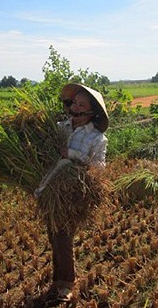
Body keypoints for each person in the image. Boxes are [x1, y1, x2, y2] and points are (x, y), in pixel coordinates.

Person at [36, 83, 108, 302]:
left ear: (92, 111)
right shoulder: (60, 127)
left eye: (81, 104)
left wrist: (74, 154)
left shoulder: (97, 138)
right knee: (53, 235)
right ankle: (58, 279)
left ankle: (66, 284)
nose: (75, 107)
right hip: (50, 189)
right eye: (74, 103)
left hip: (73, 195)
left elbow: (98, 168)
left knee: (63, 236)